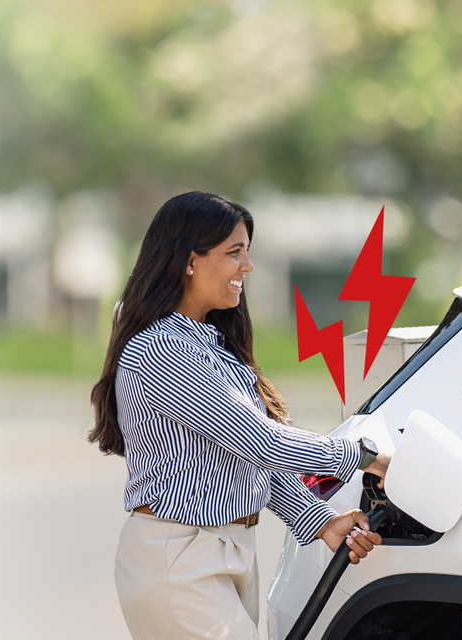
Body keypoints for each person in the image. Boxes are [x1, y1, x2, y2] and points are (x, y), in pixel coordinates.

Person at [88, 191, 390, 640]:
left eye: (247, 252)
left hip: (223, 553)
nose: (247, 266)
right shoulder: (162, 349)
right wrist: (369, 456)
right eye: (234, 253)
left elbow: (249, 458)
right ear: (189, 260)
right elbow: (263, 441)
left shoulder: (208, 343)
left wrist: (319, 521)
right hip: (180, 558)